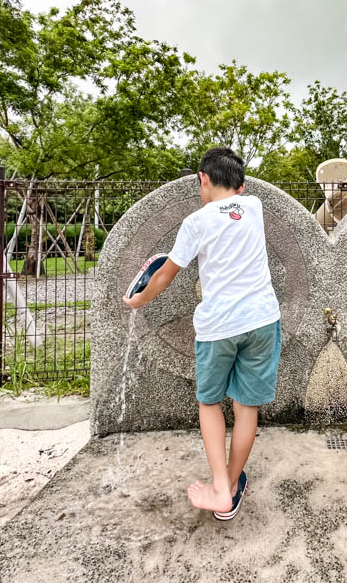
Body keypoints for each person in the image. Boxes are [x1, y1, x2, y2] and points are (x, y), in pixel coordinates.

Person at [123, 147, 281, 521]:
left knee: (210, 403)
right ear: (241, 185)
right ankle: (230, 482)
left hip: (218, 328)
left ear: (203, 180)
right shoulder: (254, 207)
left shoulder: (197, 222)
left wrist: (137, 300)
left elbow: (164, 273)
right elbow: (238, 201)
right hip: (262, 321)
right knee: (247, 407)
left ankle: (220, 490)